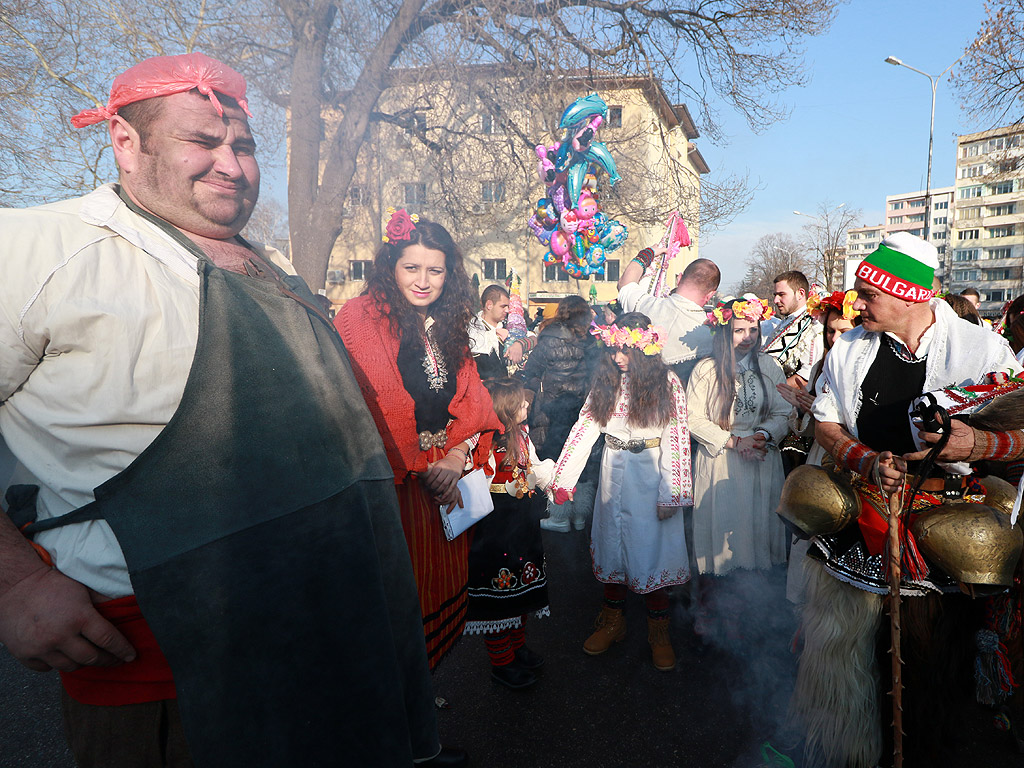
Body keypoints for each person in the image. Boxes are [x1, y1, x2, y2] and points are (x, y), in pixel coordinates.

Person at [0, 53, 442, 768]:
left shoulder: (272, 267)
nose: (231, 166)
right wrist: (15, 585)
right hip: (170, 679)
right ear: (125, 142)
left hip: (328, 649)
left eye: (242, 145)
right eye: (202, 143)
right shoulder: (42, 248)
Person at [790, 232, 1022, 768]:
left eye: (867, 294)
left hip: (950, 530)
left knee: (932, 663)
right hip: (865, 519)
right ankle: (851, 754)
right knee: (851, 658)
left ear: (907, 295)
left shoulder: (981, 348)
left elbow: (1022, 427)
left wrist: (979, 443)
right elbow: (824, 421)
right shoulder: (849, 348)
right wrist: (866, 460)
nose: (856, 305)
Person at [335, 210, 501, 679]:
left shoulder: (448, 323)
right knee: (394, 598)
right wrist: (422, 465)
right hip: (391, 483)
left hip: (445, 478)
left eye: (436, 269)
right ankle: (398, 726)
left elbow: (472, 395)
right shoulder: (361, 316)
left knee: (438, 584)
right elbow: (377, 400)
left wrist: (454, 456)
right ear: (391, 265)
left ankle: (423, 708)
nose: (424, 280)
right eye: (412, 267)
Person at [550, 312, 693, 671]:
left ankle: (658, 631)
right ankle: (612, 621)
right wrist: (563, 479)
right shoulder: (606, 381)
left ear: (645, 349)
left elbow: (676, 437)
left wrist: (672, 492)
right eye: (614, 350)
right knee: (613, 548)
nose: (617, 358)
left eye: (626, 351)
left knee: (652, 554)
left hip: (651, 476)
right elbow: (585, 427)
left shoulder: (667, 382)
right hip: (614, 473)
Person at [686, 297, 790, 577]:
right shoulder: (706, 369)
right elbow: (692, 418)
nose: (748, 338)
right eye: (739, 331)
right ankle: (716, 602)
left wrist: (761, 435)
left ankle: (757, 601)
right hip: (720, 459)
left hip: (761, 456)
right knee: (722, 535)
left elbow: (784, 412)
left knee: (758, 530)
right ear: (724, 331)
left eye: (753, 330)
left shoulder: (769, 366)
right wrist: (734, 442)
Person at [464, 378, 554, 690]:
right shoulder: (486, 440)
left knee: (523, 588)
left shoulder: (522, 434)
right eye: (521, 402)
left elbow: (535, 468)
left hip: (523, 526)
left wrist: (552, 478)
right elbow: (474, 475)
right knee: (499, 596)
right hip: (496, 528)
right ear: (505, 407)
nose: (527, 405)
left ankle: (518, 648)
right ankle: (502, 663)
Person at [776, 290, 860, 605]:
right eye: (830, 330)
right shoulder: (819, 367)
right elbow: (805, 429)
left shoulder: (867, 369)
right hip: (819, 460)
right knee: (809, 536)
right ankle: (804, 622)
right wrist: (802, 411)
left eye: (844, 330)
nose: (835, 338)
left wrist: (826, 414)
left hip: (852, 464)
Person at [522, 294, 601, 532]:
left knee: (557, 459)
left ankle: (559, 514)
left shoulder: (549, 337)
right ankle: (579, 515)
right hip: (582, 408)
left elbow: (532, 370)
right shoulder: (590, 340)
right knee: (581, 461)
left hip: (552, 410)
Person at [616, 247, 720, 385]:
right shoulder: (712, 332)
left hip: (640, 399)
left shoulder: (645, 304)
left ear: (679, 278)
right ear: (711, 294)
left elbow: (625, 283)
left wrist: (648, 253)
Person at [761, 270, 822, 390]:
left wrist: (769, 390)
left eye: (781, 294)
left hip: (788, 400)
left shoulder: (814, 324)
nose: (776, 301)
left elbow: (806, 376)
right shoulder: (785, 321)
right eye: (775, 295)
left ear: (800, 293)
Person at [468, 284, 532, 380]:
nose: (507, 310)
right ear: (489, 305)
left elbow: (534, 338)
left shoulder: (510, 325)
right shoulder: (472, 331)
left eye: (508, 306)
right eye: (503, 306)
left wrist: (521, 344)